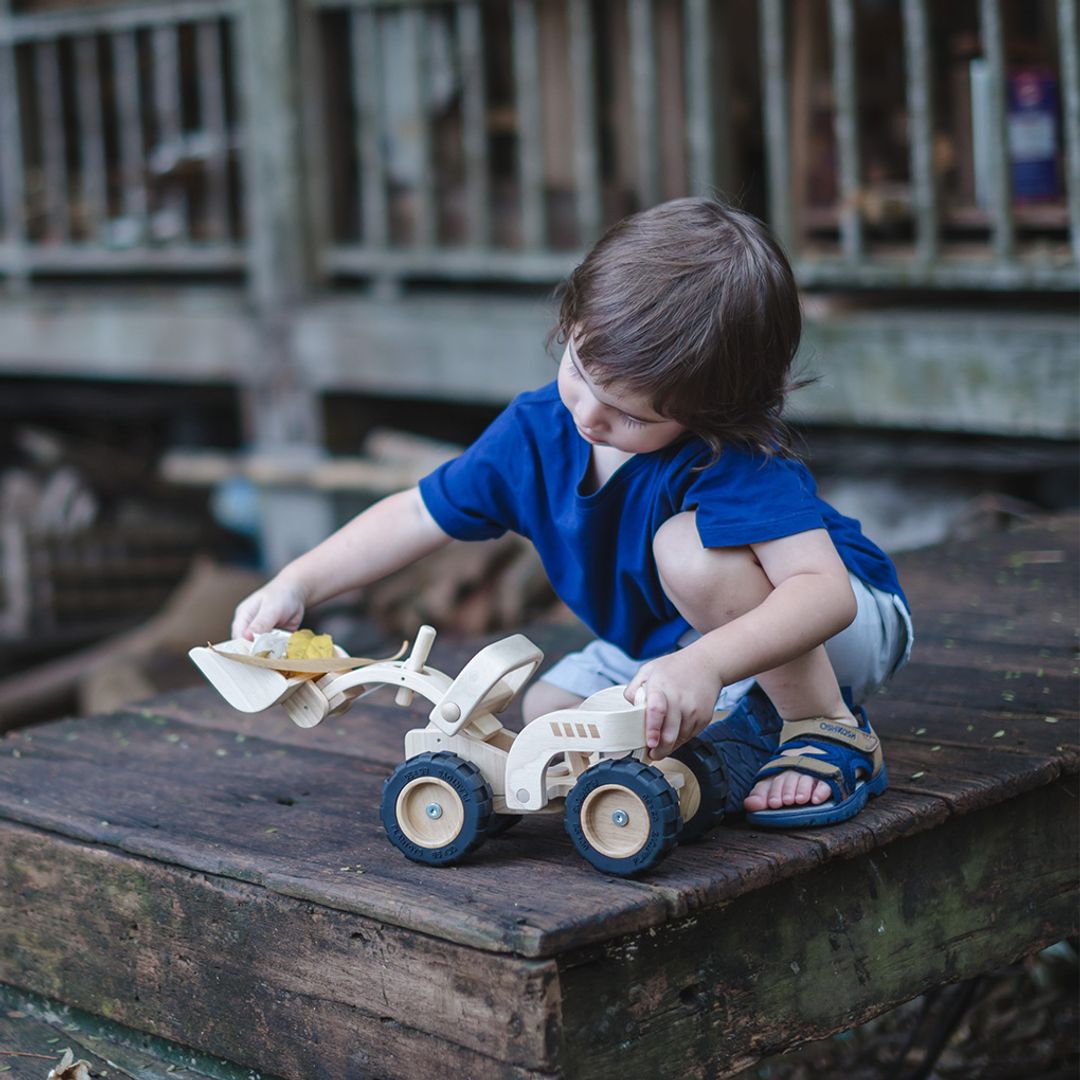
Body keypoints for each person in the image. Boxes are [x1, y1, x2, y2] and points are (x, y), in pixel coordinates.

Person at [231, 197, 912, 829]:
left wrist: (704, 666)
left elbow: (822, 596)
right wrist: (297, 582)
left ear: (711, 410)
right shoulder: (536, 432)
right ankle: (734, 724)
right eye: (581, 369)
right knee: (549, 718)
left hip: (830, 630)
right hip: (671, 640)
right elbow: (415, 515)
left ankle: (824, 727)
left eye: (630, 414)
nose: (587, 415)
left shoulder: (728, 454)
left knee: (688, 550)